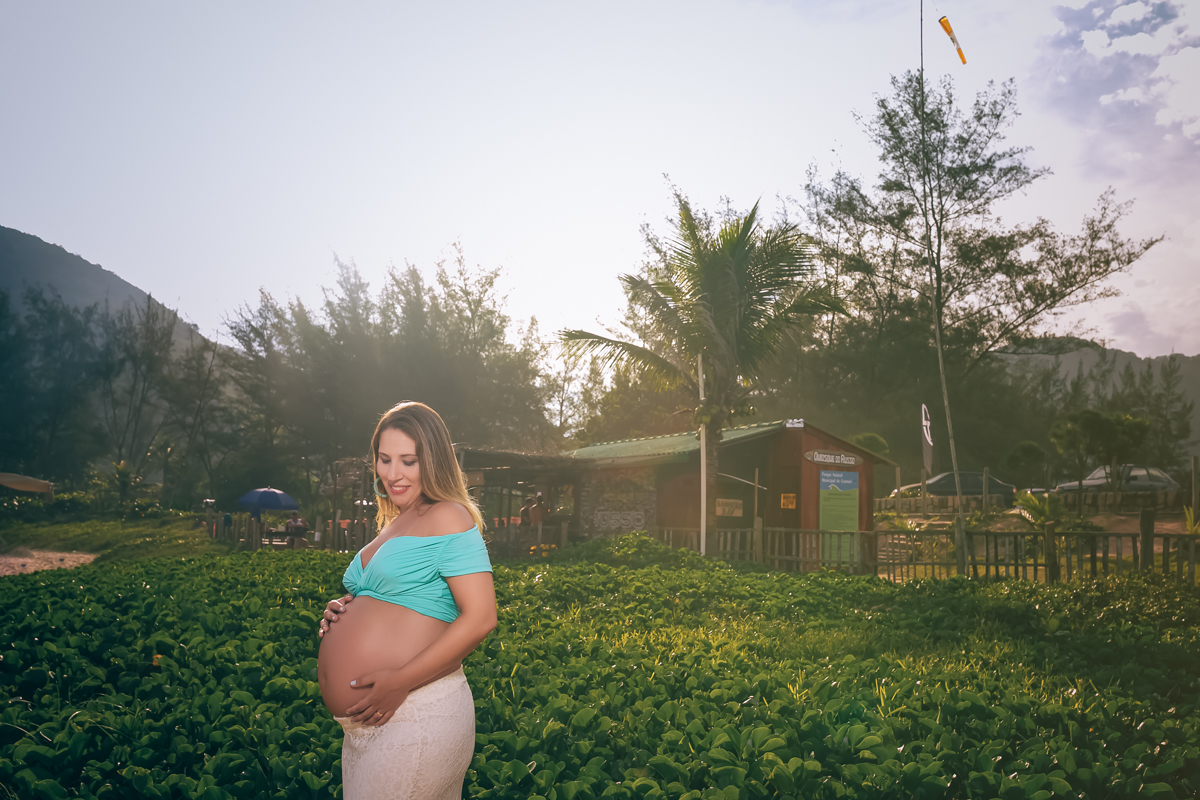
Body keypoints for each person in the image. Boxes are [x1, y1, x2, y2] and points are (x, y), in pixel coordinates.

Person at [316, 402, 497, 800]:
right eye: (384, 459)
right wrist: (345, 607)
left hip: (415, 711)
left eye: (408, 461)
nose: (393, 473)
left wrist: (401, 681)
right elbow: (400, 598)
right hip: (370, 726)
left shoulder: (448, 514)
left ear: (432, 462)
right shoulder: (396, 521)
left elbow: (482, 616)